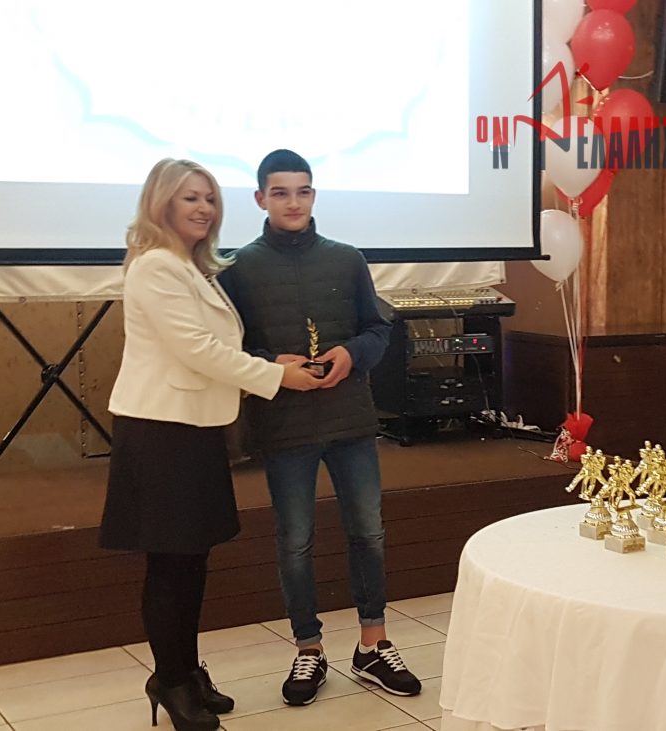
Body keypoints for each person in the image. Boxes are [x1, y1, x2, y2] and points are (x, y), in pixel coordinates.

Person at [100, 158, 313, 731]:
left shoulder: (191, 266)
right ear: (161, 203)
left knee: (191, 560)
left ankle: (185, 671)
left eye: (210, 199)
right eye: (189, 198)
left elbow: (216, 346)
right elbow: (196, 348)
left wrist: (269, 362)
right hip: (160, 431)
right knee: (171, 564)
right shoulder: (156, 267)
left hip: (193, 428)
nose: (203, 208)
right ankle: (170, 681)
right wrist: (277, 376)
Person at [219, 149, 421, 706]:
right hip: (285, 425)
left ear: (314, 196)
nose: (293, 202)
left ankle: (373, 644)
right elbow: (230, 349)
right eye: (280, 192)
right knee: (296, 541)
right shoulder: (238, 268)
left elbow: (378, 331)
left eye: (303, 191)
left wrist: (350, 355)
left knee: (368, 532)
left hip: (350, 419)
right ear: (260, 198)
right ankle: (308, 648)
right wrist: (273, 366)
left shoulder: (347, 259)